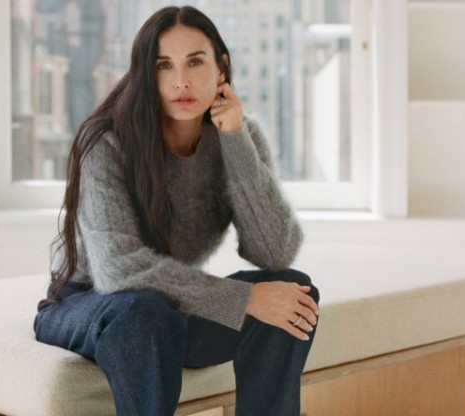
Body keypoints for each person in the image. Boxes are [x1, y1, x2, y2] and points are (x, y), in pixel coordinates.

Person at [34, 5, 319, 416]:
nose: (181, 81)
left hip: (166, 309)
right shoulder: (105, 141)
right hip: (87, 305)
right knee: (145, 311)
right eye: (163, 65)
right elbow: (119, 270)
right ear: (145, 75)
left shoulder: (237, 135)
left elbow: (273, 252)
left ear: (221, 69)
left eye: (195, 62)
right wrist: (240, 299)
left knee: (293, 291)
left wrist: (235, 141)